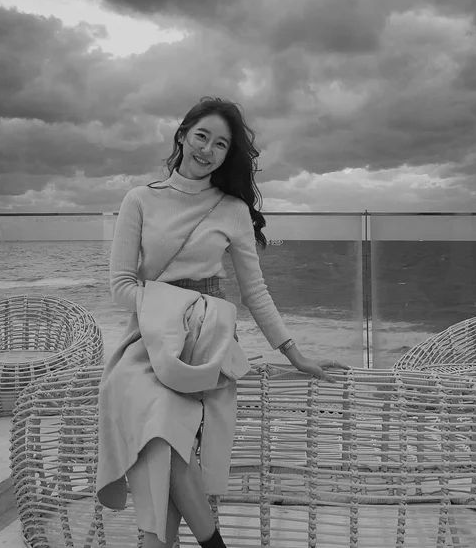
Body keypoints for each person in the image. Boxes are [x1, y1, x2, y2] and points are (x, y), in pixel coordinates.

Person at [98, 97, 349, 548]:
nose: (207, 149)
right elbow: (120, 287)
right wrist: (172, 310)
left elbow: (255, 292)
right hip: (148, 337)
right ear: (182, 135)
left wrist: (294, 353)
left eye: (220, 144)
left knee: (162, 439)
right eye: (201, 136)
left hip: (207, 340)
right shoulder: (139, 199)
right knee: (161, 435)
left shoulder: (231, 209)